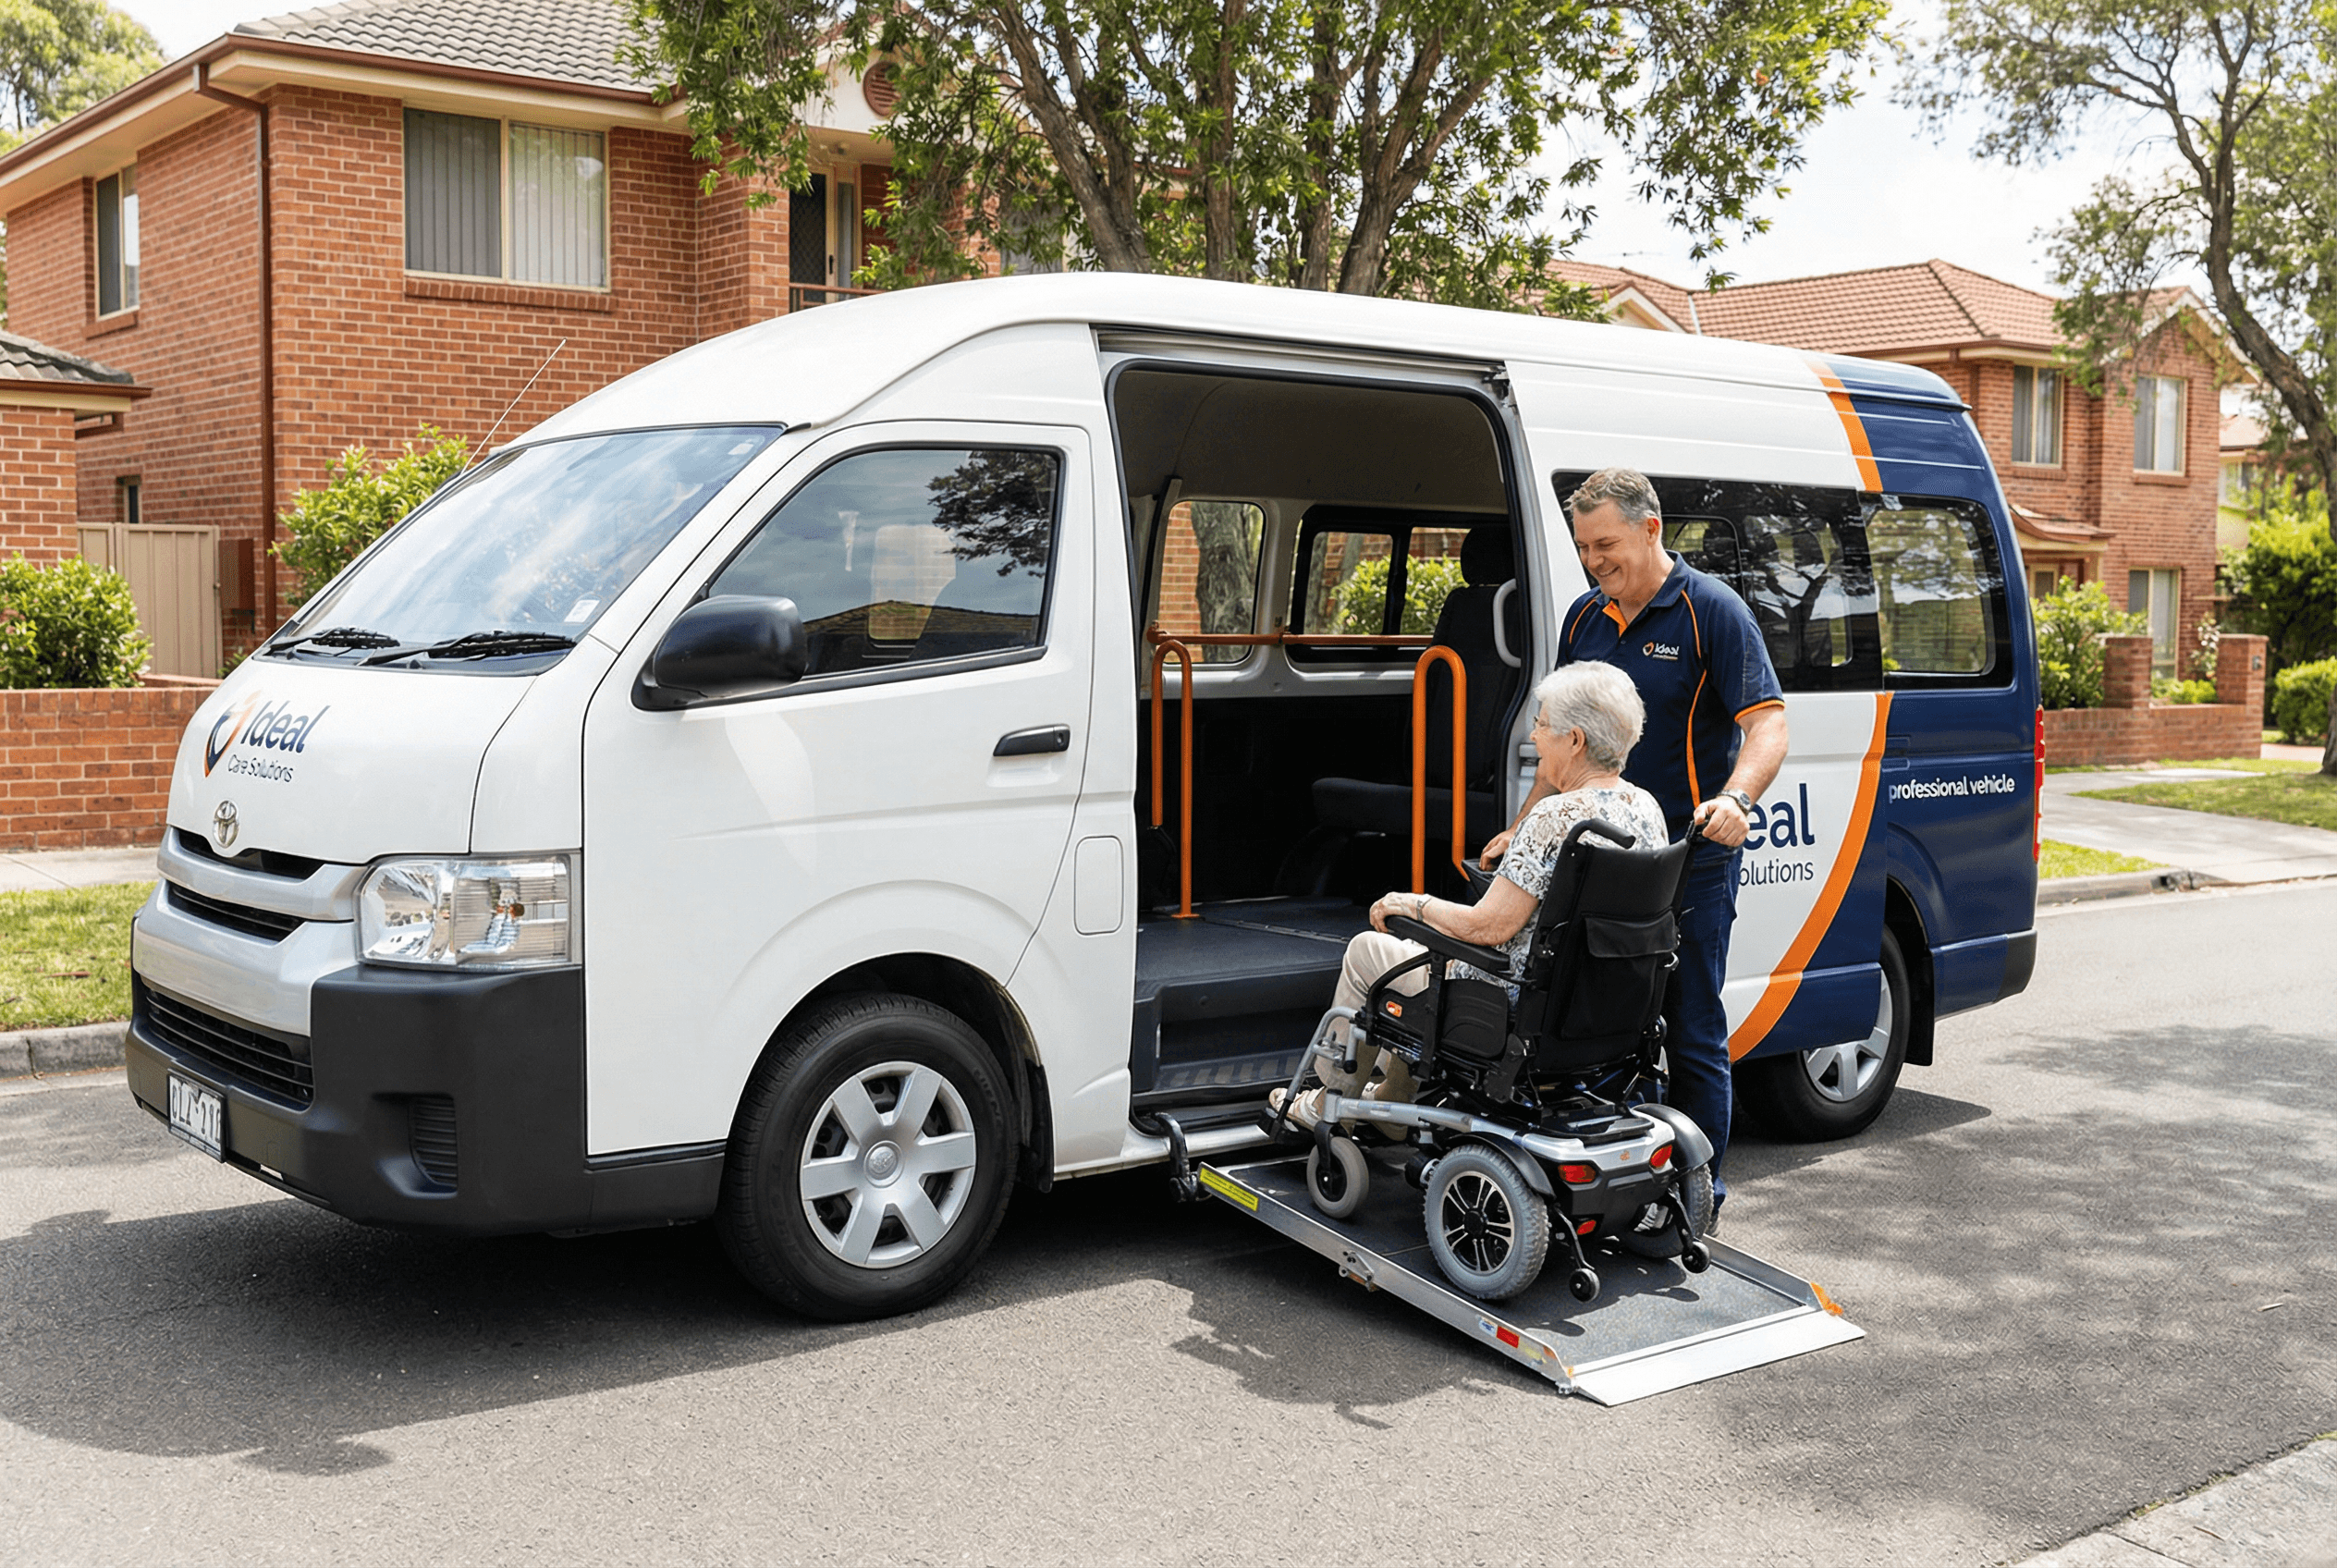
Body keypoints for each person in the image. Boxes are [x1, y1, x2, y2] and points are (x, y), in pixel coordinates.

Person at [1480, 466, 1787, 1217]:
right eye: (1584, 547)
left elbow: (1767, 723)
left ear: (1652, 529)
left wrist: (1737, 798)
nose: (1594, 561)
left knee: (1690, 1027)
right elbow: (1561, 742)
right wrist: (1522, 827)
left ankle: (1698, 1196)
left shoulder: (1710, 611)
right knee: (1591, 1021)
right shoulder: (1586, 618)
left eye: (1606, 544)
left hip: (1687, 858)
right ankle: (1612, 1185)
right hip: (1591, 864)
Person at [1274, 662, 1667, 1130]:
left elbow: (1489, 927)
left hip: (1510, 1002)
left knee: (1370, 952)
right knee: (1416, 970)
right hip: (1598, 1005)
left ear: (1575, 740)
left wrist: (1411, 903)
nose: (1535, 738)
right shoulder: (1646, 810)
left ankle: (1329, 1100)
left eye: (1542, 725)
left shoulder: (1554, 817)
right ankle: (1395, 1101)